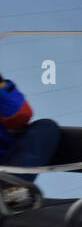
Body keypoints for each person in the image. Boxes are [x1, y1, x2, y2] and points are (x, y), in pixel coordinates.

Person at [0, 73, 61, 212]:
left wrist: (1, 86)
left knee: (46, 127)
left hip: (6, 167)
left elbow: (20, 117)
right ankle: (10, 196)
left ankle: (11, 194)